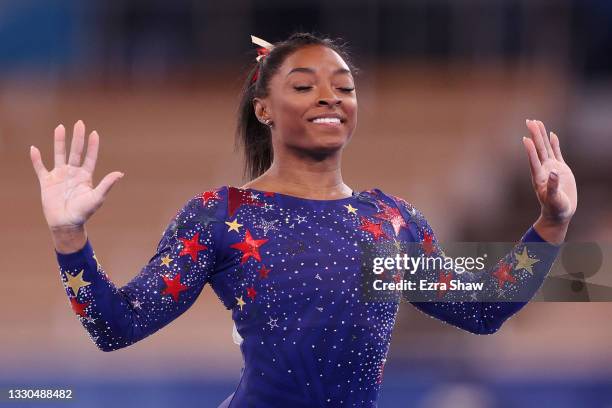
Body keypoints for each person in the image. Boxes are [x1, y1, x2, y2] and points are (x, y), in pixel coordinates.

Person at [29, 32, 577, 407]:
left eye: (345, 87)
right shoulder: (224, 215)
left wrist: (552, 222)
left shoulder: (387, 223)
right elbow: (117, 327)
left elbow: (485, 309)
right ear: (264, 107)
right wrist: (69, 237)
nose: (330, 98)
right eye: (303, 86)